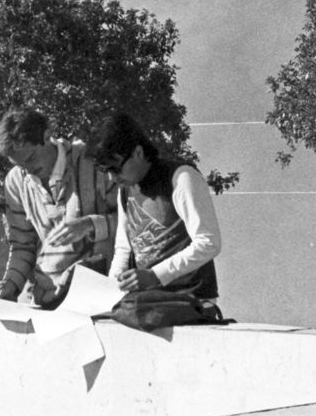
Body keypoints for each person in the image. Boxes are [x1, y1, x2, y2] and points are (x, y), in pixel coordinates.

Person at [0, 108, 118, 308]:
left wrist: (90, 224)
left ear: (47, 135)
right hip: (47, 300)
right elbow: (23, 245)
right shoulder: (15, 181)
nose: (28, 170)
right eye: (21, 166)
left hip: (99, 296)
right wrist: (10, 285)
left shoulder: (93, 161)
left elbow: (132, 224)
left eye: (31, 159)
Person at [90, 112, 221, 301]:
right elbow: (124, 250)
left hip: (190, 300)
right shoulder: (125, 191)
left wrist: (155, 275)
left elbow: (209, 242)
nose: (112, 177)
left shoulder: (181, 178)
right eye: (105, 171)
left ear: (138, 152)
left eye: (115, 168)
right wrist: (110, 293)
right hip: (148, 303)